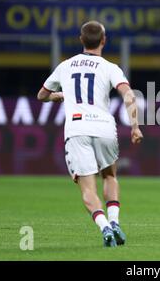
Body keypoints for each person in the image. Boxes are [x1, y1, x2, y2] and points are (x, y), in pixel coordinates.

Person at [37, 21, 143, 247]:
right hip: (104, 126)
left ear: (80, 40)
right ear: (104, 41)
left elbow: (42, 95)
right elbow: (128, 95)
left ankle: (104, 227)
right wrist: (135, 126)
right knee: (110, 176)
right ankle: (115, 222)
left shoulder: (65, 66)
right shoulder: (110, 67)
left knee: (87, 187)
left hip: (77, 129)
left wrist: (59, 96)